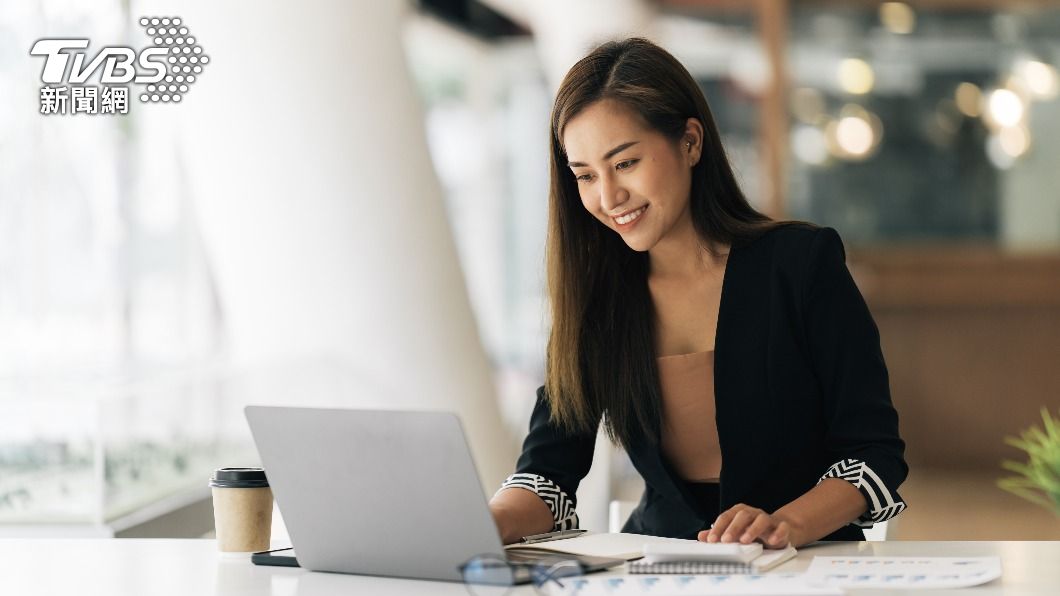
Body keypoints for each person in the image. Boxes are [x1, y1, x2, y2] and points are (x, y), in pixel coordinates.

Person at [488, 38, 907, 548]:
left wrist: (787, 524)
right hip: (657, 568)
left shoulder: (800, 265)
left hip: (802, 565)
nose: (607, 197)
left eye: (624, 164)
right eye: (585, 176)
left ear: (690, 142)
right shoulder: (597, 300)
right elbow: (547, 475)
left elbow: (873, 453)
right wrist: (481, 523)